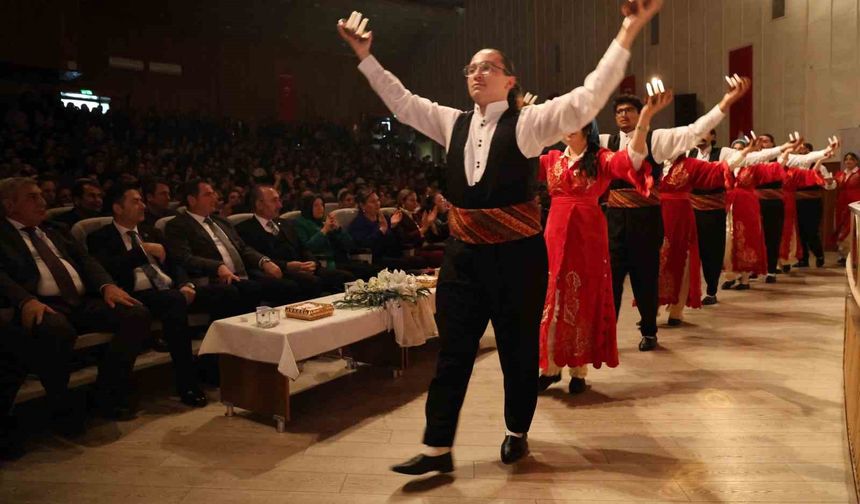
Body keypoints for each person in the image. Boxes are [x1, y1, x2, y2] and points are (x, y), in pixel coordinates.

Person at [338, 0, 663, 473]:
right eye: (471, 68)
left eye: (487, 67)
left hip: (517, 258)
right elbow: (402, 102)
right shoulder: (450, 122)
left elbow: (587, 98)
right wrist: (365, 56)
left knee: (517, 351)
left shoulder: (528, 124)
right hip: (462, 257)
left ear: (510, 81)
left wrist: (628, 32)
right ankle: (437, 448)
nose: (477, 73)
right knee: (453, 352)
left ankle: (516, 432)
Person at [601, 77, 751, 350]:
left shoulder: (657, 139)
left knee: (646, 277)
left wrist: (726, 102)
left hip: (646, 220)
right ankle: (606, 335)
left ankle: (649, 331)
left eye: (629, 110)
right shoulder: (606, 142)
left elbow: (694, 131)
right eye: (619, 111)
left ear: (641, 113)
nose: (623, 115)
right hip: (615, 220)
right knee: (611, 278)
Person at [0, 177, 150, 426]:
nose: (42, 202)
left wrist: (107, 286)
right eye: (32, 197)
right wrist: (25, 300)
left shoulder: (55, 229)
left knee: (135, 313)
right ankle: (61, 407)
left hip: (80, 300)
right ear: (9, 205)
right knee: (57, 330)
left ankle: (108, 393)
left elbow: (86, 261)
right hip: (41, 303)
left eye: (41, 195)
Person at [536, 98, 653, 394]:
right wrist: (520, 116)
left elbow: (630, 160)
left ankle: (578, 369)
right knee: (554, 297)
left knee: (582, 296)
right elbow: (518, 158)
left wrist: (644, 120)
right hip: (554, 235)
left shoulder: (601, 158)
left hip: (587, 235)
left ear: (587, 128)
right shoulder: (551, 159)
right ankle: (550, 368)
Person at [87, 184, 221, 407]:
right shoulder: (99, 237)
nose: (142, 205)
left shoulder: (151, 232)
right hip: (135, 294)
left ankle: (214, 367)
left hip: (167, 289)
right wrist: (141, 252)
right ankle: (187, 382)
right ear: (118, 208)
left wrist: (185, 283)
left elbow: (176, 263)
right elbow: (107, 270)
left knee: (224, 293)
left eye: (142, 200)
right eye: (135, 201)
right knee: (173, 301)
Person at [164, 179, 300, 312]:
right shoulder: (178, 225)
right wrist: (217, 267)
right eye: (208, 194)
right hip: (211, 278)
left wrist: (263, 261)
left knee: (287, 286)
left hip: (241, 275)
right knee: (246, 289)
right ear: (192, 200)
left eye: (214, 193)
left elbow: (243, 248)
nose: (214, 197)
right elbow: (184, 257)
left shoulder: (221, 221)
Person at [236, 185, 354, 296]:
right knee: (311, 282)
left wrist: (313, 263)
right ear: (259, 205)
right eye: (274, 201)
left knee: (345, 277)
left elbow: (304, 248)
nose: (280, 205)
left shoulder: (285, 223)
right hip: (280, 272)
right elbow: (257, 258)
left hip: (304, 267)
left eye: (279, 200)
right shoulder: (245, 229)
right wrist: (287, 266)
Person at [722, 139, 804, 289]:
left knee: (746, 239)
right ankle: (731, 275)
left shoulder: (754, 167)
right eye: (735, 149)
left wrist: (785, 152)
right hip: (730, 205)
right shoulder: (728, 166)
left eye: (741, 148)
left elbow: (774, 168)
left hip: (747, 205)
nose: (739, 151)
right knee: (728, 240)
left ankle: (745, 279)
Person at [293, 193, 379, 281]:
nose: (320, 208)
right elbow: (307, 248)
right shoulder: (300, 223)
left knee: (371, 270)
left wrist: (338, 229)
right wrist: (324, 230)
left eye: (322, 205)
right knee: (350, 276)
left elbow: (350, 245)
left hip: (339, 260)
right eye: (316, 206)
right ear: (308, 207)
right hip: (323, 264)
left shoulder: (322, 222)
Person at [834, 152, 860, 265]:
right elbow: (832, 186)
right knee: (841, 229)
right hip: (841, 205)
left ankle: (854, 257)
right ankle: (843, 256)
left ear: (856, 161)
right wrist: (829, 182)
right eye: (847, 159)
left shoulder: (859, 173)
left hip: (855, 205)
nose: (848, 161)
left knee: (852, 231)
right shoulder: (840, 174)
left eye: (851, 159)